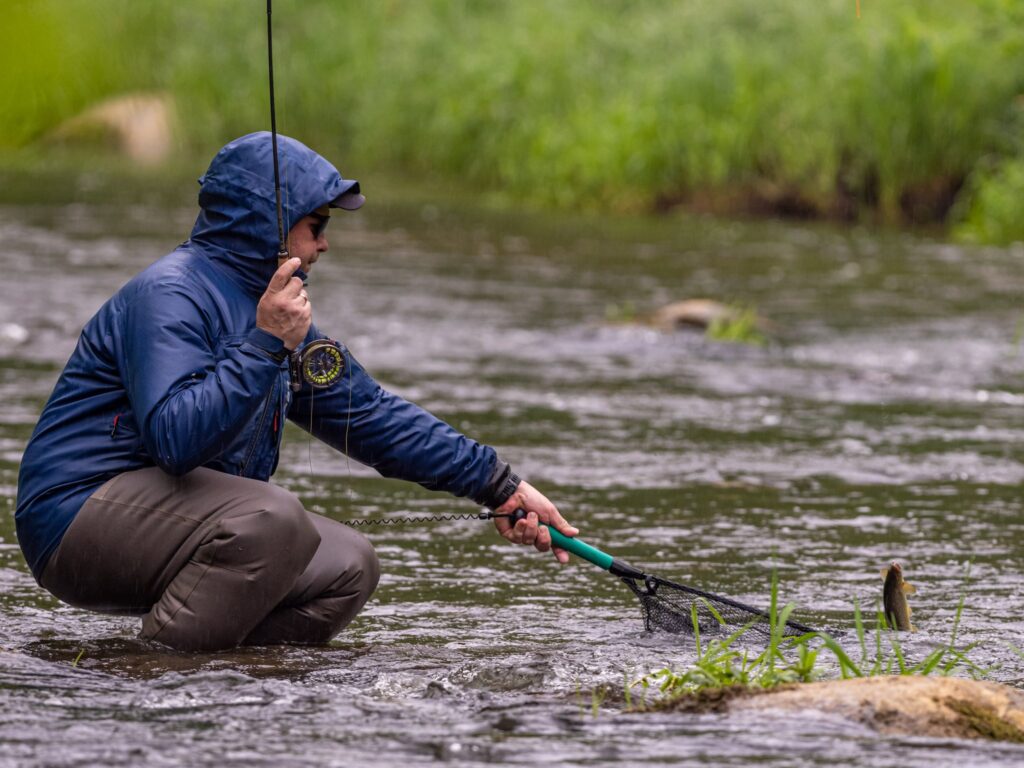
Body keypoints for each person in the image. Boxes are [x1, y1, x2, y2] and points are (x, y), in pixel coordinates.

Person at [15, 132, 577, 652]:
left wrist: (497, 485)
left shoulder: (279, 319)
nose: (325, 244)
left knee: (348, 564)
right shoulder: (170, 296)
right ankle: (155, 671)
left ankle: (238, 679)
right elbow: (174, 439)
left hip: (173, 519)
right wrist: (264, 345)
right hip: (72, 516)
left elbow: (371, 416)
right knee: (272, 519)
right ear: (267, 224)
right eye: (315, 225)